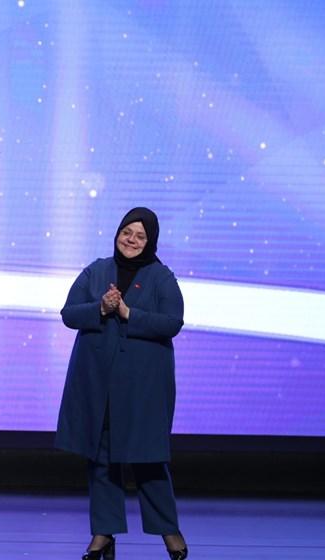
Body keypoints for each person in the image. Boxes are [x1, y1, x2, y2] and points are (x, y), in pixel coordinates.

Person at [55, 207, 189, 560]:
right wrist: (100, 308)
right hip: (97, 382)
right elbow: (69, 313)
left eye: (140, 236)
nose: (131, 240)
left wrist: (130, 314)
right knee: (101, 459)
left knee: (149, 459)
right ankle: (104, 533)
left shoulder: (161, 277)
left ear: (151, 241)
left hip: (143, 386)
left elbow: (173, 322)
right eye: (127, 232)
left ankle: (170, 532)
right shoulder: (97, 270)